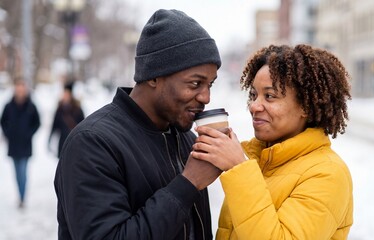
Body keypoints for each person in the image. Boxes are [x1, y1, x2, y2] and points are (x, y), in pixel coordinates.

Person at [54, 9, 222, 240]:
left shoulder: (186, 139)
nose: (206, 97)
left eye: (210, 85)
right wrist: (189, 183)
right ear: (153, 76)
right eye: (195, 83)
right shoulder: (93, 143)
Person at [192, 44, 354, 239]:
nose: (253, 106)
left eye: (269, 96)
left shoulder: (327, 174)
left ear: (306, 107)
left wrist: (238, 168)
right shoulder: (258, 161)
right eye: (253, 95)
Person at [1, 78, 41, 208]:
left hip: (25, 145)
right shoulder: (9, 105)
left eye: (22, 87)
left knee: (23, 172)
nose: (20, 90)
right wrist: (8, 133)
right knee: (17, 173)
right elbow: (3, 121)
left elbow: (37, 122)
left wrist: (29, 133)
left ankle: (22, 197)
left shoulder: (31, 105)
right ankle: (20, 194)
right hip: (13, 145)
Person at [48, 81, 85, 158]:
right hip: (62, 142)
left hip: (74, 142)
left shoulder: (77, 109)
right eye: (64, 93)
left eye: (67, 93)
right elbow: (55, 125)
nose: (65, 95)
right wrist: (50, 139)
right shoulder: (60, 108)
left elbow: (83, 125)